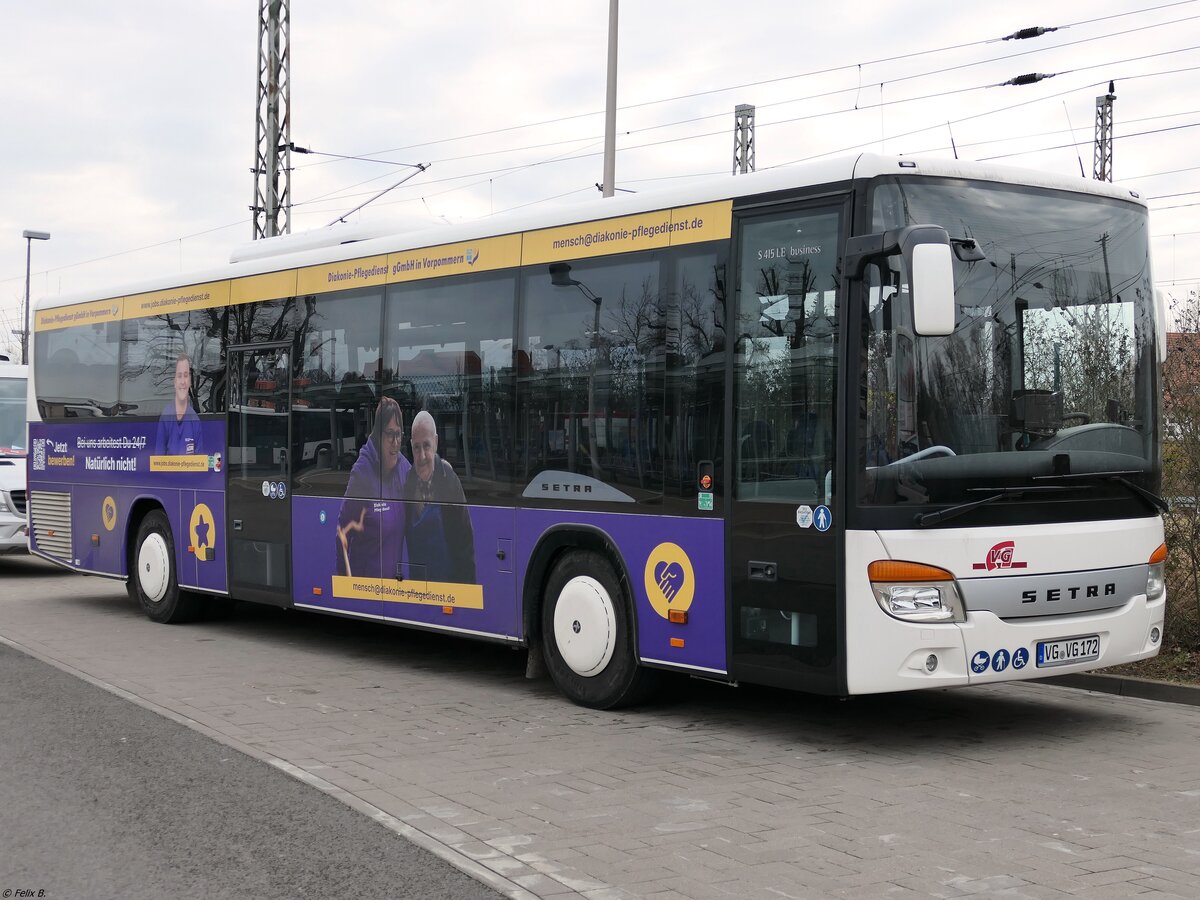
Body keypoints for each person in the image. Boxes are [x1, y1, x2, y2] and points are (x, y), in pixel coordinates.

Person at [336, 397, 410, 578]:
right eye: (389, 434)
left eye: (398, 434)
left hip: (393, 587)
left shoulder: (403, 467)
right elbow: (342, 533)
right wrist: (347, 587)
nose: (395, 442)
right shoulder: (362, 474)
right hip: (366, 587)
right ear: (378, 435)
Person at [402, 410, 476, 583]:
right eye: (416, 447)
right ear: (411, 445)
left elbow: (465, 547)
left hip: (448, 588)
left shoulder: (450, 481)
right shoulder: (407, 483)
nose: (421, 456)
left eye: (426, 446)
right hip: (418, 589)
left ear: (435, 442)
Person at [155, 353, 204, 455]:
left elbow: (199, 464)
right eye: (179, 376)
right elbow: (158, 458)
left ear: (190, 381)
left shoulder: (195, 420)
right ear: (175, 382)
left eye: (186, 376)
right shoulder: (166, 415)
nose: (182, 382)